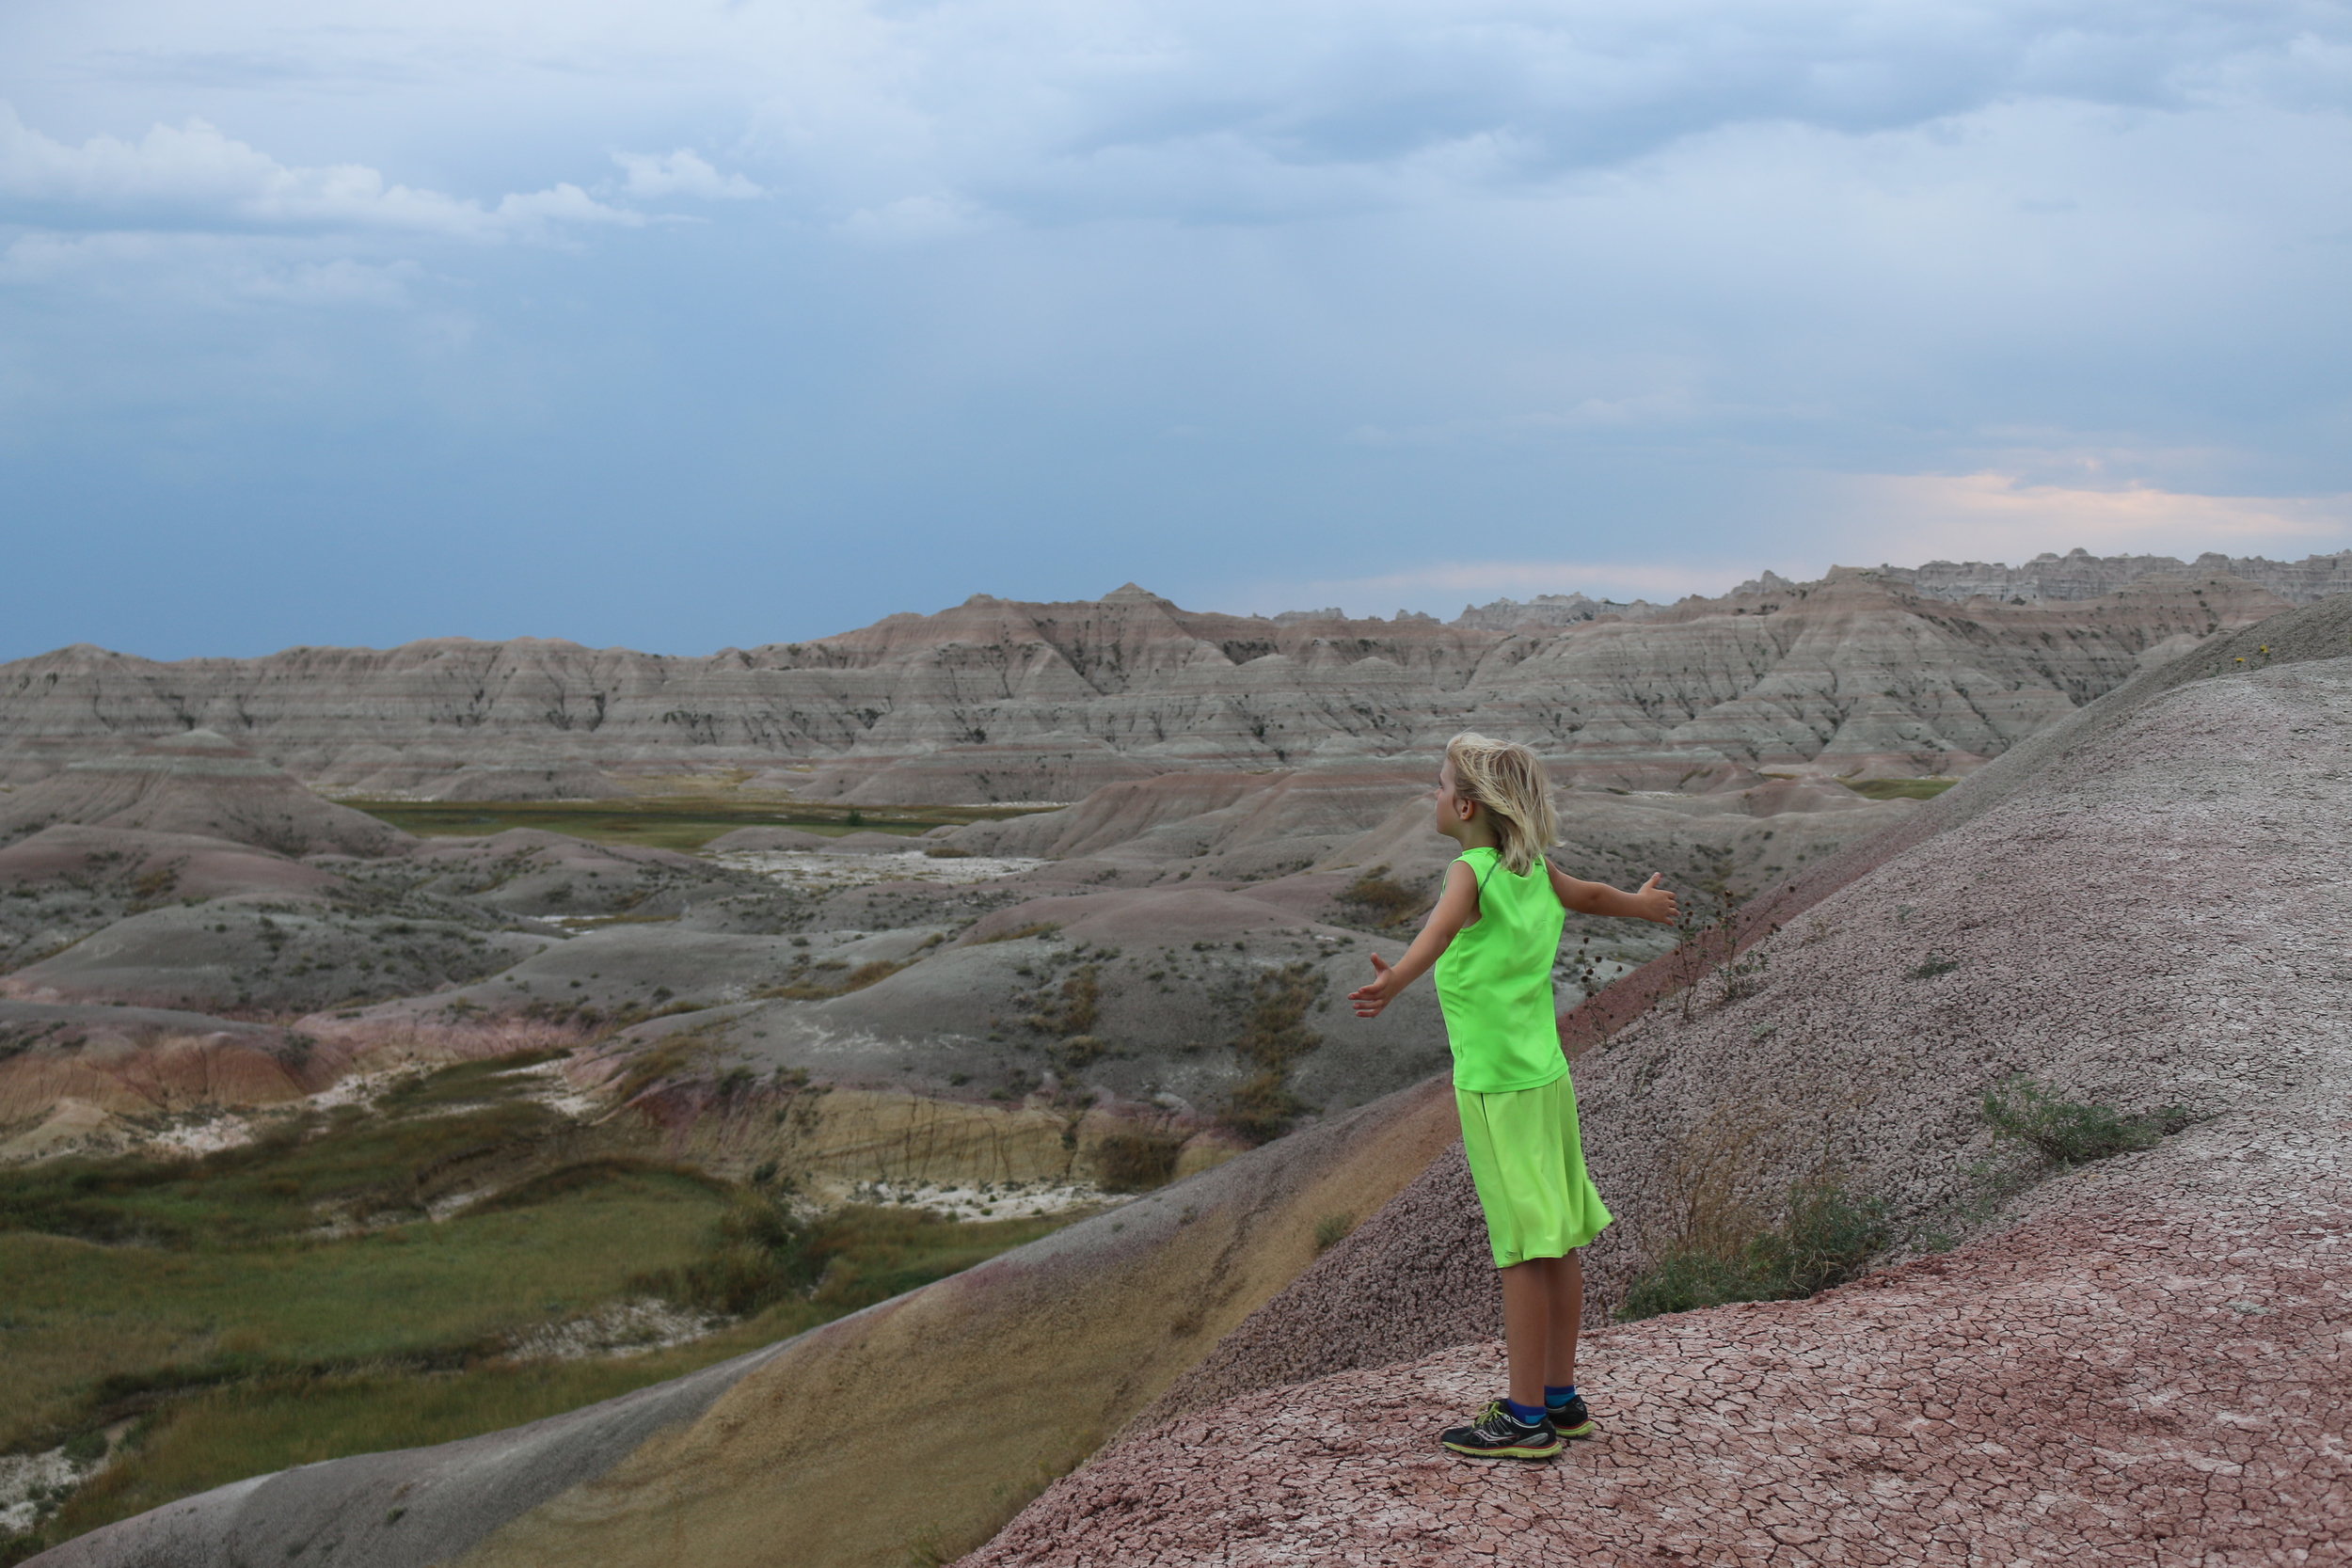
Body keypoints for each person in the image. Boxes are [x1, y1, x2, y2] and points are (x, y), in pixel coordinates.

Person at [1349, 733, 1678, 1460]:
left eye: (1439, 785)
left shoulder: (1469, 870)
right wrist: (1641, 905)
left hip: (1498, 1087)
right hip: (1546, 1079)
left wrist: (1394, 981)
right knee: (1556, 1235)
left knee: (1522, 1248)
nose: (1433, 795)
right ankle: (1560, 1397)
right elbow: (1591, 896)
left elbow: (1436, 936)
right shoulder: (1532, 868)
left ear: (1465, 806)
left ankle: (1524, 1417)